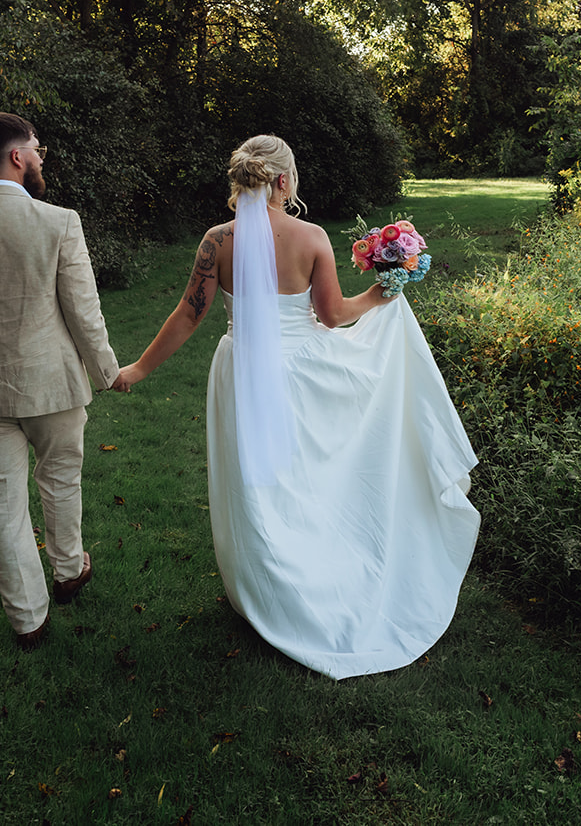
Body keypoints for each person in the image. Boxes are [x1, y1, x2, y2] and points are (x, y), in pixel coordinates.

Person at [114, 135, 479, 679]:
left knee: (257, 484)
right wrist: (383, 292)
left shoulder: (217, 241)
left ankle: (267, 586)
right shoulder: (311, 238)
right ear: (283, 181)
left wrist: (138, 368)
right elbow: (333, 316)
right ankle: (315, 571)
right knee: (308, 477)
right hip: (304, 368)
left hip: (240, 370)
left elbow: (190, 314)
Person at [0, 111, 120, 651]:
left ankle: (27, 619)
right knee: (60, 478)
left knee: (2, 503)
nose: (40, 158)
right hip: (53, 382)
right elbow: (84, 311)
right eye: (37, 149)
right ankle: (68, 569)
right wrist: (107, 372)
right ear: (16, 156)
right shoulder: (59, 222)